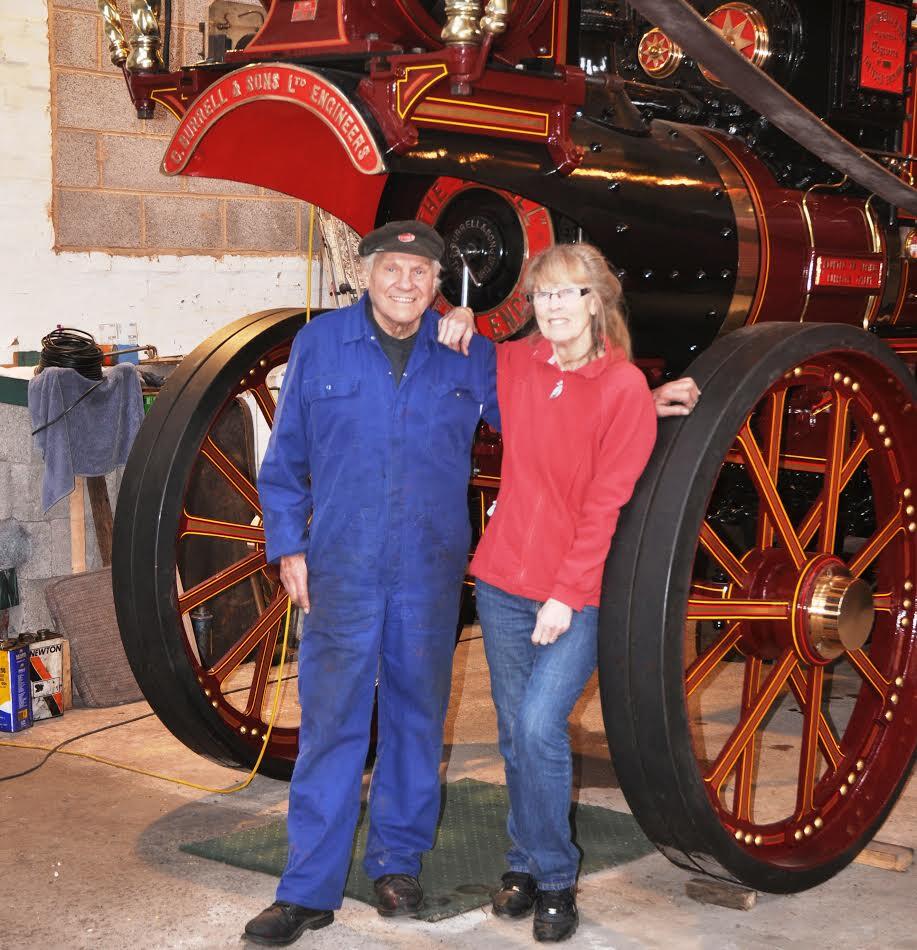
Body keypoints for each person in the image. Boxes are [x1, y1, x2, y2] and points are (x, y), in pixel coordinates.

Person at [245, 220, 499, 946]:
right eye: (393, 269)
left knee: (417, 719)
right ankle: (307, 891)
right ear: (366, 273)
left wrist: (488, 338)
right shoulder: (319, 344)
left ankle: (397, 862)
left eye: (421, 273)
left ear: (437, 284)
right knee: (332, 726)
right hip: (342, 566)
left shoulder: (462, 352)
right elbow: (285, 457)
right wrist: (288, 545)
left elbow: (531, 413)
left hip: (428, 566)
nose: (406, 283)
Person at [443, 243, 661, 942]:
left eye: (569, 293)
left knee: (540, 726)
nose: (555, 307)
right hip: (505, 578)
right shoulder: (520, 364)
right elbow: (460, 353)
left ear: (597, 302)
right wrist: (451, 320)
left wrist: (566, 594)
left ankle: (556, 878)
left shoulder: (622, 387)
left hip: (576, 592)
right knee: (514, 735)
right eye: (542, 295)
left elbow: (604, 505)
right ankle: (523, 864)